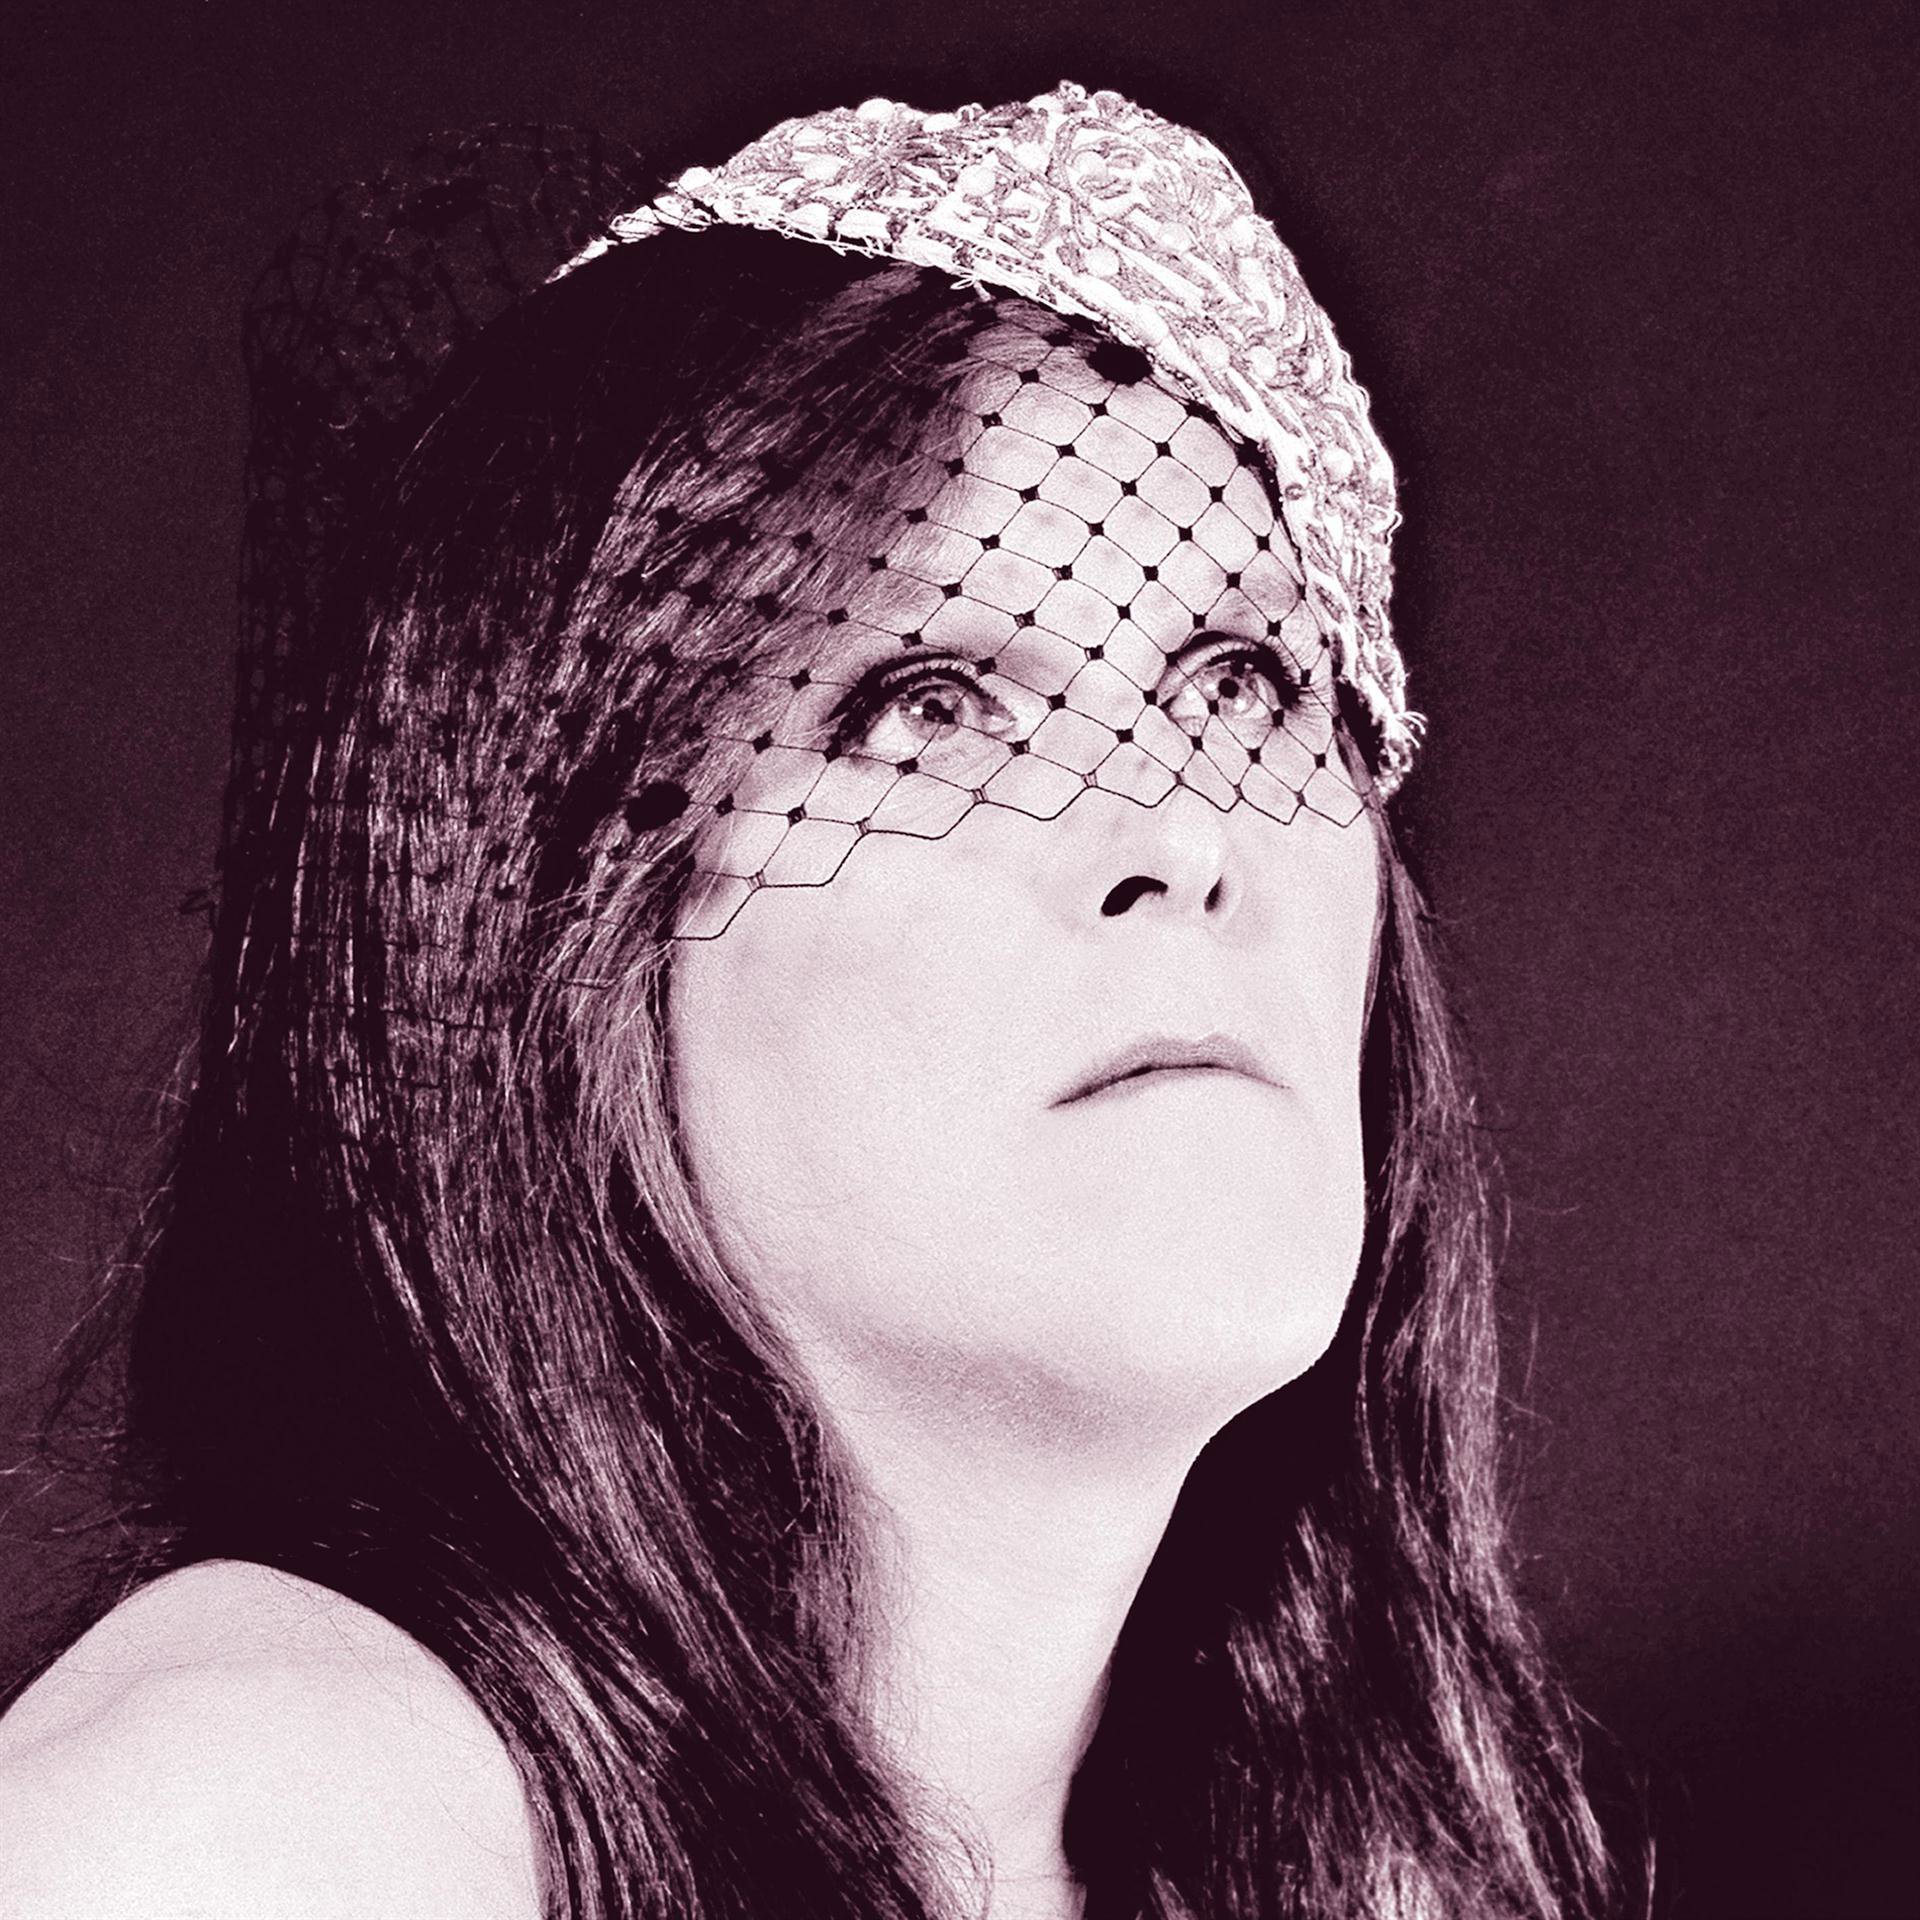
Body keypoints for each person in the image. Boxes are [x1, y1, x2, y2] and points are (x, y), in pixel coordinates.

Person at [0, 85, 1624, 1920]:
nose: (1179, 834)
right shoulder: (255, 1814)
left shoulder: (1331, 1865)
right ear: (560, 953)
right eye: (925, 707)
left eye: (1243, 676)